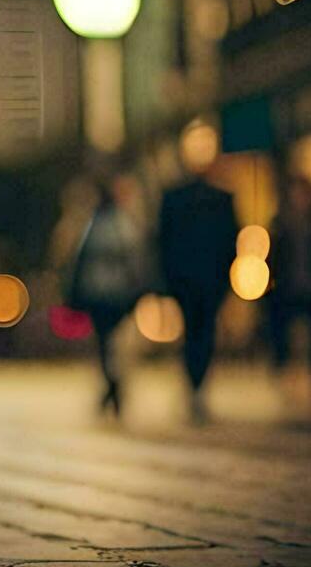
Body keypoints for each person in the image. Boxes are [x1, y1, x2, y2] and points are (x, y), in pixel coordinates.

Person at [159, 155, 239, 424]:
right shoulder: (186, 199)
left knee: (198, 332)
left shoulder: (216, 200)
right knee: (201, 332)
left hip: (200, 280)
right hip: (196, 281)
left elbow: (230, 242)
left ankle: (196, 385)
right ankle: (196, 385)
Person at [69, 179, 147, 417]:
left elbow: (80, 260)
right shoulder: (122, 225)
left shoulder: (95, 225)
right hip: (114, 294)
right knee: (113, 343)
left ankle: (113, 384)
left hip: (103, 294)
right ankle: (114, 384)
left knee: (107, 343)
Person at [267, 176, 311, 408]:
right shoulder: (281, 222)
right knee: (282, 331)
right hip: (288, 287)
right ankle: (285, 374)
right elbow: (274, 256)